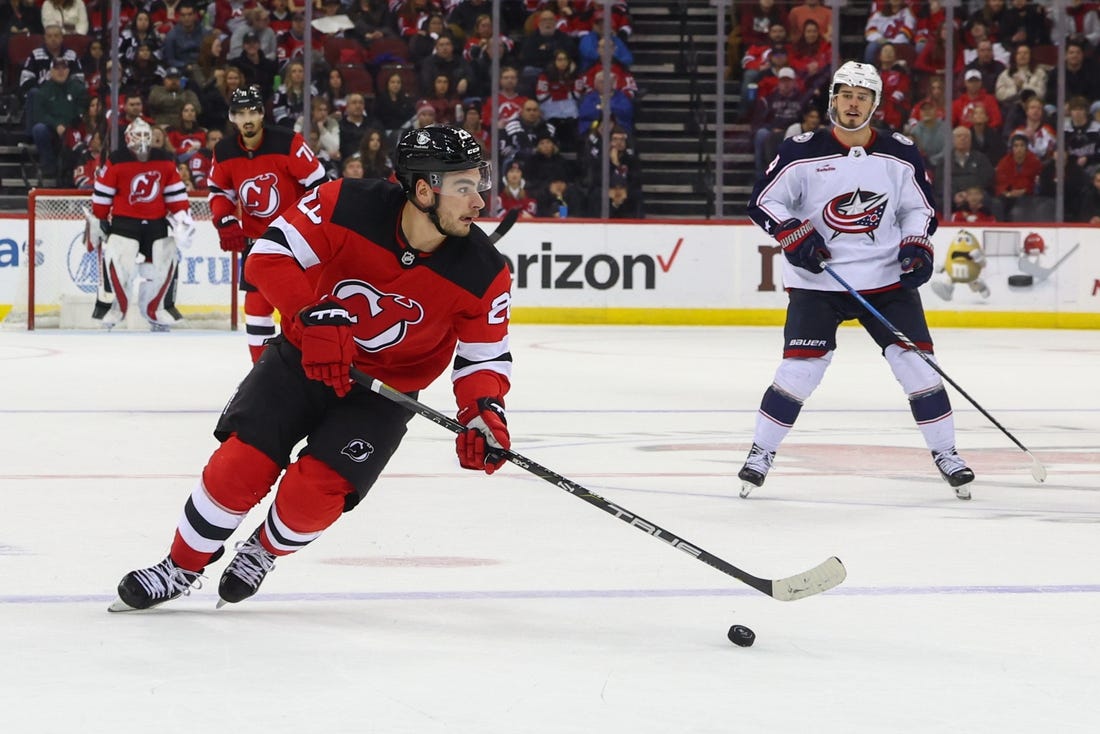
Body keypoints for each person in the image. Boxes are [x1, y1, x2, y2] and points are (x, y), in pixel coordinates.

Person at [109, 124, 513, 612]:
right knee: (240, 466)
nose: (479, 202)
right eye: (464, 187)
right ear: (424, 189)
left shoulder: (485, 270)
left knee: (314, 493)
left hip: (384, 393)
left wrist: (483, 414)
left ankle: (262, 550)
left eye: (479, 183)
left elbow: (483, 357)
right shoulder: (346, 202)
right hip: (304, 359)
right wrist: (311, 316)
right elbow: (269, 256)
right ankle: (180, 565)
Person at [742, 61, 975, 500]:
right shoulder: (801, 149)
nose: (853, 104)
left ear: (876, 104)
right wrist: (794, 233)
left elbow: (919, 209)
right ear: (833, 100)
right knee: (799, 371)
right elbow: (763, 201)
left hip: (886, 281)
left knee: (917, 366)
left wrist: (915, 245)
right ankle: (760, 453)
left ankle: (947, 454)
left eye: (863, 97)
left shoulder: (899, 152)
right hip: (819, 281)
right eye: (846, 95)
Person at [208, 86, 328, 363]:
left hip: (296, 240)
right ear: (231, 117)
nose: (247, 118)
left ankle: (310, 365)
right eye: (240, 113)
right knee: (256, 306)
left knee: (302, 306)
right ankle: (261, 371)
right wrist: (224, 218)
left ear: (262, 113)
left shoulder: (288, 143)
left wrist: (313, 230)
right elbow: (219, 192)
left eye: (252, 111)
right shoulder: (224, 151)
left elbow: (320, 187)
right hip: (258, 243)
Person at [89, 118, 195, 330]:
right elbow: (103, 194)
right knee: (119, 266)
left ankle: (157, 311)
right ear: (128, 138)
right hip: (124, 223)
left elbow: (174, 193)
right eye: (137, 136)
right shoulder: (117, 160)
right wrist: (99, 219)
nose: (142, 142)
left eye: (145, 136)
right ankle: (113, 311)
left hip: (156, 224)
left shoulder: (165, 160)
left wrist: (182, 217)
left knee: (163, 266)